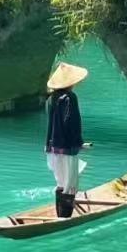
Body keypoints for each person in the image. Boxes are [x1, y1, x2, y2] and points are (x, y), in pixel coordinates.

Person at [45, 61, 87, 218]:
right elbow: (71, 122)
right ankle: (65, 218)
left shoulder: (52, 98)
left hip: (53, 147)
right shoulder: (70, 98)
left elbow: (55, 125)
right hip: (68, 147)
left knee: (61, 182)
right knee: (71, 183)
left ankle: (59, 215)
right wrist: (79, 142)